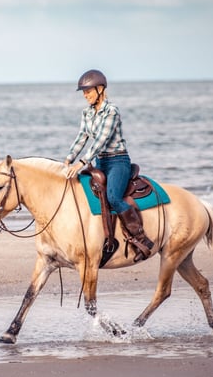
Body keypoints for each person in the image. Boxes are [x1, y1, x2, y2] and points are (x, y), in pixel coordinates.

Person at [63, 69, 155, 261]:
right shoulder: (86, 113)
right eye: (83, 92)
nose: (85, 95)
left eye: (88, 91)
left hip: (117, 161)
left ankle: (140, 239)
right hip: (99, 162)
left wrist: (81, 162)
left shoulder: (111, 111)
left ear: (100, 89)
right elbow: (82, 137)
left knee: (113, 197)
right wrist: (68, 159)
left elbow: (101, 141)